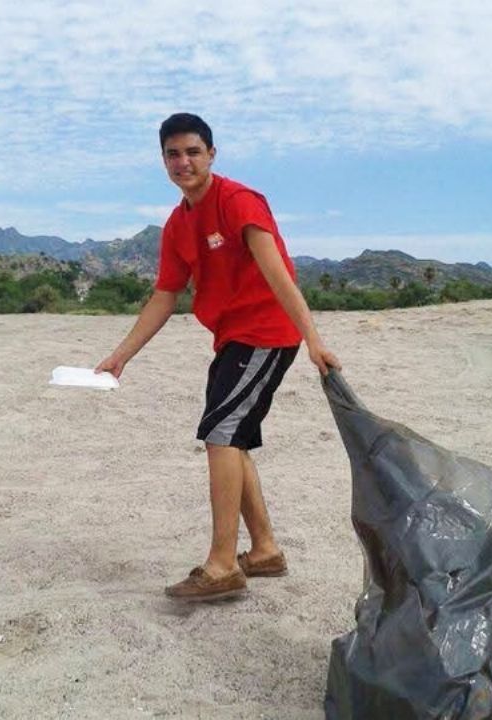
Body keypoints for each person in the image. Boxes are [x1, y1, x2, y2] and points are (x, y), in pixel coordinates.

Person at [95, 113, 341, 602]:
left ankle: (223, 564)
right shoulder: (177, 225)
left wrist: (313, 338)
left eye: (192, 151)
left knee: (221, 434)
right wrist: (120, 356)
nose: (182, 162)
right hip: (231, 337)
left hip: (268, 333)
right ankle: (265, 550)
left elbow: (277, 274)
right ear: (163, 160)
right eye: (172, 154)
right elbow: (165, 295)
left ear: (211, 154)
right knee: (230, 435)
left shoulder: (238, 202)